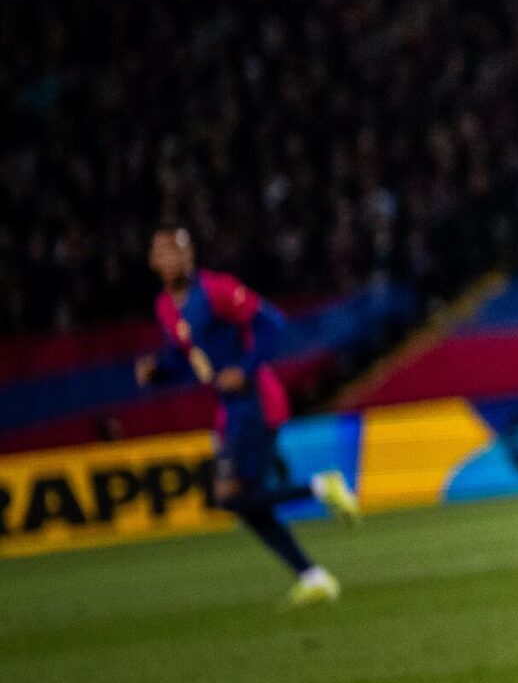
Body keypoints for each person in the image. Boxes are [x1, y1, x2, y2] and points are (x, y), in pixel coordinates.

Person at [134, 226, 359, 605]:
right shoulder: (165, 308)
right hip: (230, 411)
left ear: (191, 256)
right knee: (245, 503)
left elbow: (272, 322)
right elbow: (185, 357)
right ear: (154, 261)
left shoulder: (217, 289)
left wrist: (246, 366)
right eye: (165, 252)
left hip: (257, 401)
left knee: (231, 496)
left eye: (179, 251)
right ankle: (313, 575)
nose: (173, 259)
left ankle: (323, 487)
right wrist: (158, 370)